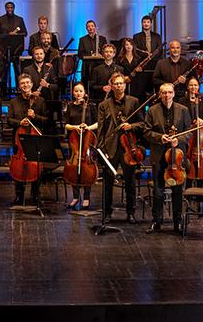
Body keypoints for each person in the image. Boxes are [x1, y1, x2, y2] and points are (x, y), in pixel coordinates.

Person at [96, 72, 143, 224]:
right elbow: (101, 128)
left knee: (130, 181)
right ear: (111, 86)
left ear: (125, 84)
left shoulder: (134, 102)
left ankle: (131, 212)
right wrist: (101, 148)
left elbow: (142, 124)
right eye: (116, 83)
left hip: (128, 147)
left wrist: (131, 125)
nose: (119, 86)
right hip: (111, 147)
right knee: (108, 182)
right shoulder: (104, 105)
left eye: (121, 83)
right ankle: (107, 213)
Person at [144, 83, 191, 233]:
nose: (167, 95)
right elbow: (146, 131)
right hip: (159, 155)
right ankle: (157, 221)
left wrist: (179, 140)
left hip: (176, 157)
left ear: (174, 94)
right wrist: (159, 137)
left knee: (177, 191)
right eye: (164, 93)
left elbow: (189, 132)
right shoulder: (152, 110)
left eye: (169, 92)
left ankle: (178, 222)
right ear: (159, 94)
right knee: (158, 191)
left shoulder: (183, 110)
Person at [7, 74, 48, 206]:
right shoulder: (14, 102)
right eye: (22, 83)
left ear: (31, 84)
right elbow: (9, 120)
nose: (25, 85)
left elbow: (46, 120)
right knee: (18, 167)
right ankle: (19, 195)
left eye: (27, 82)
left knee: (36, 167)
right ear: (19, 86)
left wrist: (35, 116)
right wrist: (20, 122)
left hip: (35, 139)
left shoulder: (40, 101)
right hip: (19, 139)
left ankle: (36, 194)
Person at [63, 83, 98, 210]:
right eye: (76, 91)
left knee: (86, 168)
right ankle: (75, 196)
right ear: (73, 93)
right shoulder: (70, 107)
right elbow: (66, 125)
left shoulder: (91, 106)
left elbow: (98, 123)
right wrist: (75, 127)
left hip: (88, 141)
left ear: (84, 93)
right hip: (74, 142)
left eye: (80, 91)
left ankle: (87, 198)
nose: (78, 93)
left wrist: (88, 127)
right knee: (74, 168)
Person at [131, 14, 162, 99]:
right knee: (142, 89)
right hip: (142, 66)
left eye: (148, 22)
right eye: (144, 22)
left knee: (155, 88)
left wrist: (152, 58)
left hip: (155, 65)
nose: (146, 24)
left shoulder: (157, 36)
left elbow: (160, 50)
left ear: (151, 24)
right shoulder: (136, 36)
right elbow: (135, 50)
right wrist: (146, 56)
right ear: (141, 24)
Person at [78, 20, 107, 86]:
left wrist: (101, 54)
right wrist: (91, 55)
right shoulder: (82, 40)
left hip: (100, 65)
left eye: (92, 26)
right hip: (88, 67)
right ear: (86, 29)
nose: (90, 28)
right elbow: (80, 54)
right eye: (88, 26)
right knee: (88, 85)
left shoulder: (102, 39)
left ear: (95, 27)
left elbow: (106, 51)